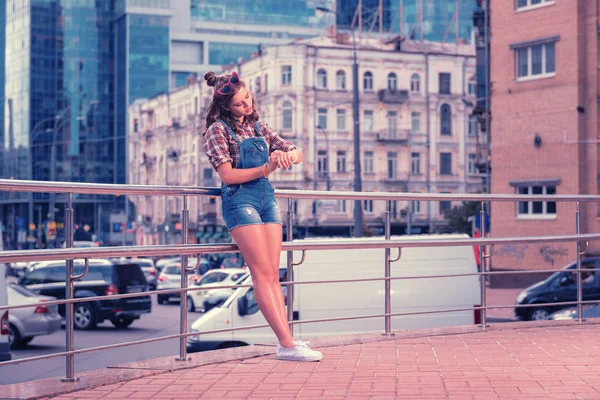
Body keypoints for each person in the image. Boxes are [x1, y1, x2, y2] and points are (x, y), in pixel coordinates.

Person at [202, 71, 322, 362]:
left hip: (266, 199)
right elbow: (228, 175)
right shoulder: (216, 131)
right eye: (241, 103)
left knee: (273, 274)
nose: (247, 105)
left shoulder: (258, 127)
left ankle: (288, 341)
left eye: (248, 98)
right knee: (262, 275)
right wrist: (267, 168)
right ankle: (286, 344)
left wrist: (288, 155)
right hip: (239, 200)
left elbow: (296, 151)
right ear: (226, 107)